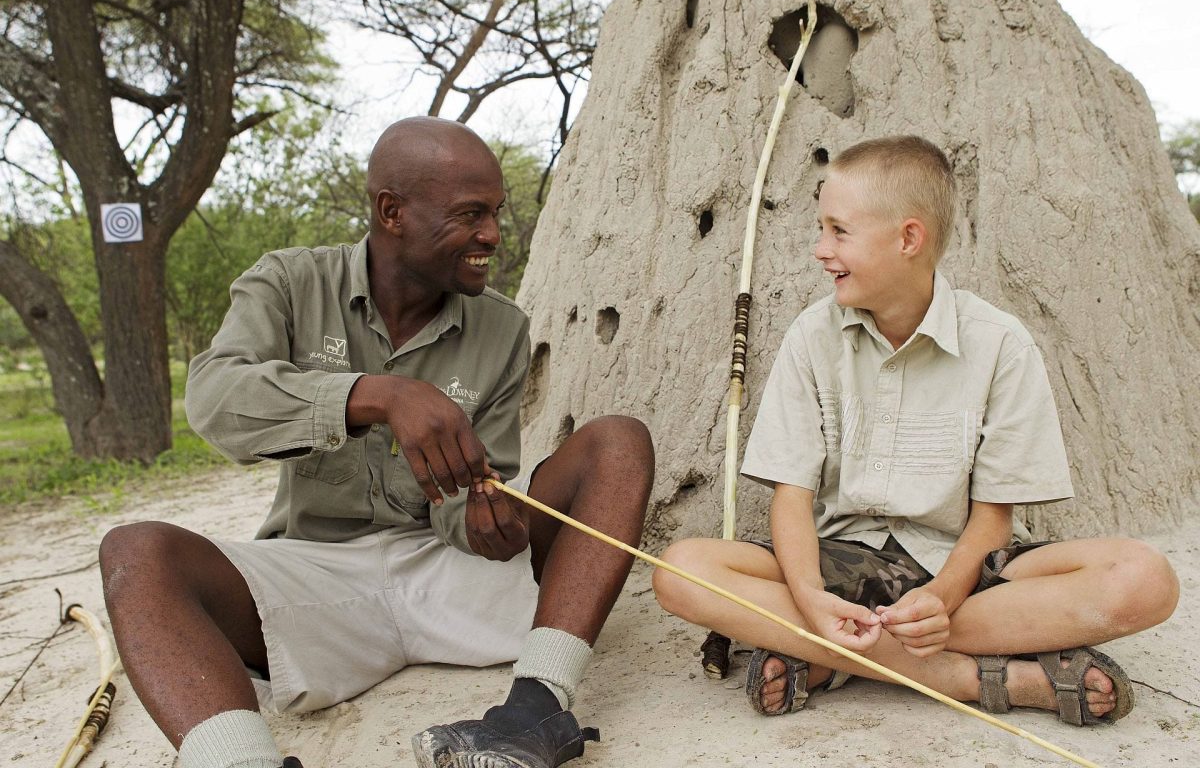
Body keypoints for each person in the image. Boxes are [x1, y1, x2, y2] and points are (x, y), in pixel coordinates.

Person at [98, 117, 654, 768]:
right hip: (316, 577)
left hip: (447, 576)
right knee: (136, 553)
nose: (492, 235)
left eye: (496, 213)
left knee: (620, 443)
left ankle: (534, 712)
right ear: (392, 212)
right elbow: (215, 399)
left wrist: (484, 521)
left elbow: (469, 499)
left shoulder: (502, 327)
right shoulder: (288, 283)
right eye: (471, 214)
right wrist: (375, 395)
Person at [653, 135, 1178, 726]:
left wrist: (942, 598)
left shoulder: (1000, 344)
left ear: (908, 238)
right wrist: (809, 598)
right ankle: (980, 679)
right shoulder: (812, 335)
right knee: (681, 572)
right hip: (839, 564)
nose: (820, 249)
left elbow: (992, 518)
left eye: (838, 231)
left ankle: (835, 657)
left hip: (971, 569)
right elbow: (792, 496)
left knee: (1145, 580)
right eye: (820, 229)